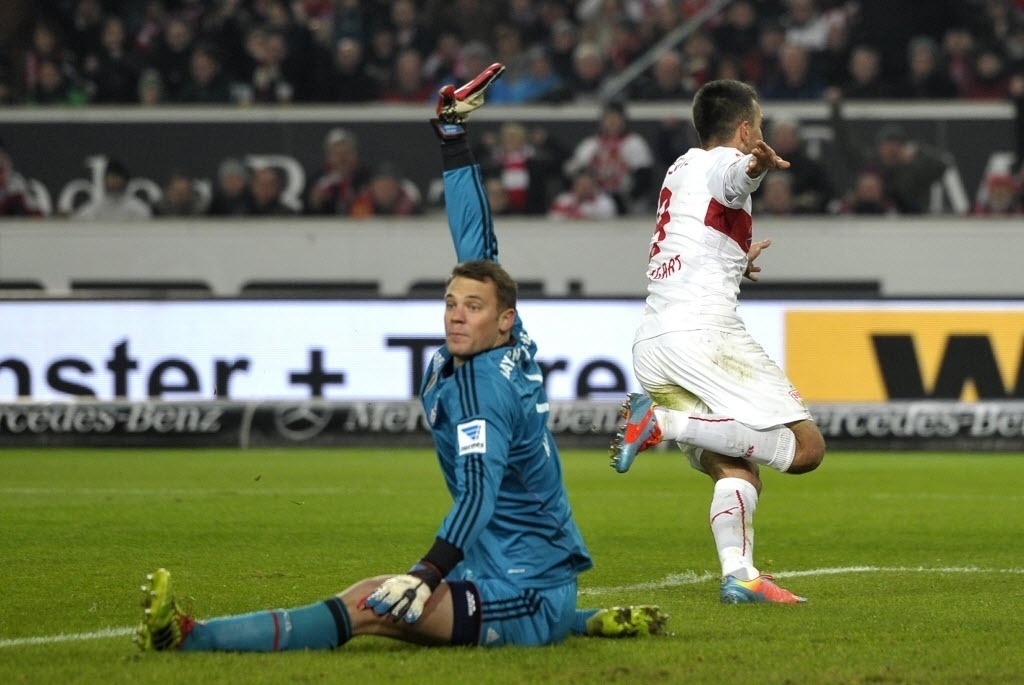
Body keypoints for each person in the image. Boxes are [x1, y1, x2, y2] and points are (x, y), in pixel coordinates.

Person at [135, 63, 668, 653]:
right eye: (451, 303)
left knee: (371, 602)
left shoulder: (482, 391)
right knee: (381, 599)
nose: (457, 314)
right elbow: (477, 245)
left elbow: (477, 495)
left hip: (529, 586)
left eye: (472, 305)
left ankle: (191, 640)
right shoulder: (508, 341)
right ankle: (583, 619)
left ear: (502, 318)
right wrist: (453, 139)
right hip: (503, 568)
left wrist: (427, 572)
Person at [608, 79, 826, 605]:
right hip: (702, 332)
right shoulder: (725, 164)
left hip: (655, 340)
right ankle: (660, 423)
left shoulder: (679, 168)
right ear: (747, 129)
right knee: (805, 449)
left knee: (734, 464)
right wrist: (754, 166)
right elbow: (734, 177)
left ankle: (740, 576)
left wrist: (734, 259)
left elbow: (696, 229)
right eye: (759, 128)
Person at [74, 158, 152, 220]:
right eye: (111, 178)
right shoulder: (93, 208)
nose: (113, 181)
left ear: (125, 181)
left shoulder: (138, 209)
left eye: (117, 178)